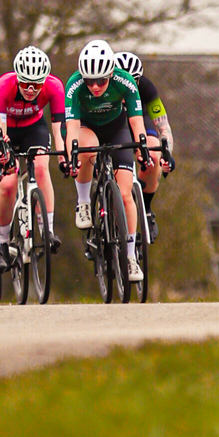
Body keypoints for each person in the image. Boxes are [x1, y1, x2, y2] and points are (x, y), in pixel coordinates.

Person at [63, 36, 146, 284]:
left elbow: (136, 121)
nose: (96, 87)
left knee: (125, 194)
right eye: (90, 81)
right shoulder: (74, 85)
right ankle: (84, 201)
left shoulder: (125, 81)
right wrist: (72, 157)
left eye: (101, 81)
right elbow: (72, 128)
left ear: (111, 74)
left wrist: (142, 148)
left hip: (117, 127)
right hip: (86, 128)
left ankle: (131, 257)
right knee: (86, 149)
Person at [0, 44, 66, 244]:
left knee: (41, 168)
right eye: (25, 84)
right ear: (17, 79)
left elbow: (59, 127)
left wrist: (62, 156)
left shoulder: (55, 86)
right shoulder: (2, 86)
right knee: (8, 184)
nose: (31, 90)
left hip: (34, 128)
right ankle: (3, 238)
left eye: (37, 84)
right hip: (8, 130)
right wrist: (4, 155)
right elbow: (1, 129)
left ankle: (47, 230)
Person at [112, 50, 175, 230]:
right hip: (114, 122)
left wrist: (167, 154)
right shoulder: (103, 89)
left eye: (134, 81)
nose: (128, 86)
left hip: (140, 119)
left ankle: (146, 207)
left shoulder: (147, 87)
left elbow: (164, 126)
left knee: (154, 156)